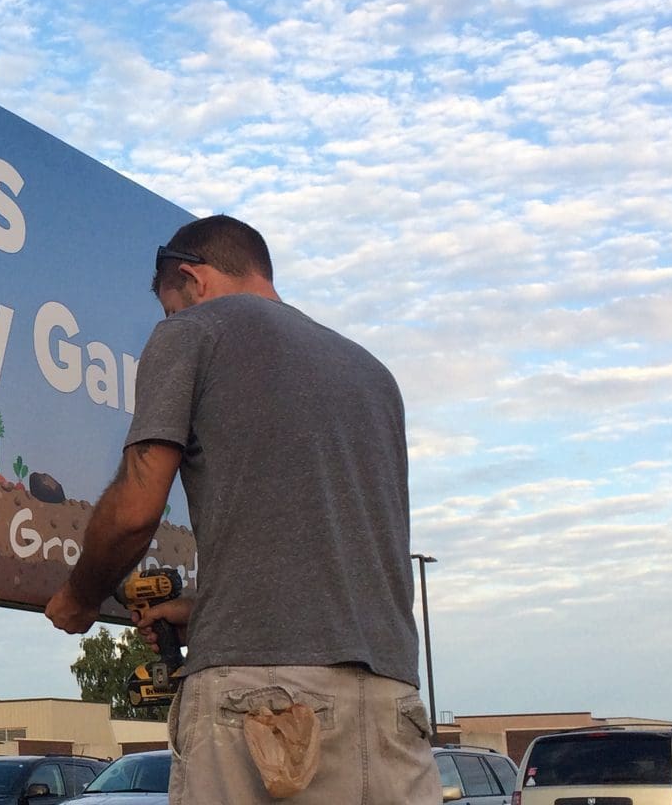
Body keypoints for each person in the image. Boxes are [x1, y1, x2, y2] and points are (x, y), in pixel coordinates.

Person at [44, 214, 438, 804]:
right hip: (392, 707)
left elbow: (135, 509)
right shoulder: (372, 374)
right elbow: (333, 547)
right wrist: (208, 610)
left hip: (265, 705)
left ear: (192, 279)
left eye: (170, 308)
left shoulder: (193, 332)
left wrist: (79, 597)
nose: (170, 321)